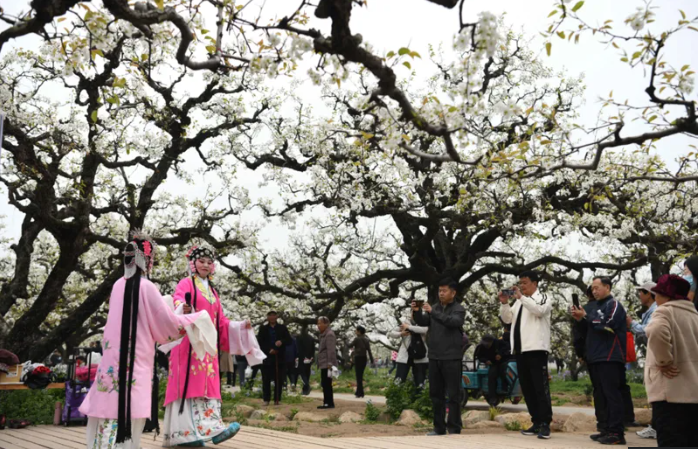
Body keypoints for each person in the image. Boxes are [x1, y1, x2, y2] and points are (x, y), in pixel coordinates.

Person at [78, 232, 220, 449]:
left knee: (108, 403)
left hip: (112, 358)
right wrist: (194, 318)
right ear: (147, 261)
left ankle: (104, 445)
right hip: (137, 356)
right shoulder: (147, 287)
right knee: (132, 404)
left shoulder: (118, 285)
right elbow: (167, 324)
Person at [163, 245, 265, 447]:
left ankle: (212, 429)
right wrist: (182, 309)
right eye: (201, 261)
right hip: (189, 345)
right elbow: (177, 302)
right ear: (193, 263)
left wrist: (240, 326)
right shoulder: (186, 283)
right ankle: (185, 435)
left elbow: (221, 322)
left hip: (208, 348)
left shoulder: (212, 292)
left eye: (210, 262)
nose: (206, 265)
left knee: (208, 387)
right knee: (188, 386)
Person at [571, 276, 627, 445]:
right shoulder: (593, 307)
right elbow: (588, 329)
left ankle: (617, 432)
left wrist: (586, 316)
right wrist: (580, 319)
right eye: (592, 288)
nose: (594, 291)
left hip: (610, 356)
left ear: (607, 287)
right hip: (594, 356)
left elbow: (608, 324)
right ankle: (606, 429)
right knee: (601, 395)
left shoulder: (613, 304)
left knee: (612, 394)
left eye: (597, 288)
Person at [645, 274, 698, 448]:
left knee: (670, 441)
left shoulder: (665, 311)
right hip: (693, 394)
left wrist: (664, 361)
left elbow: (656, 330)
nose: (655, 298)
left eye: (657, 294)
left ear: (667, 295)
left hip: (670, 393)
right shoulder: (694, 315)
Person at [499, 271, 553, 439]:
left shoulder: (543, 297)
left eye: (525, 283)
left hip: (536, 349)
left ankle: (545, 423)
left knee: (540, 388)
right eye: (520, 283)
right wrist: (505, 303)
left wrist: (521, 297)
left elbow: (539, 310)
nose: (521, 286)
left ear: (535, 283)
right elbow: (507, 319)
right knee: (528, 389)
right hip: (520, 351)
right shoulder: (518, 302)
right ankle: (536, 421)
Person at [413, 278, 466, 436]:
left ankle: (454, 428)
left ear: (453, 293)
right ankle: (439, 428)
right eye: (439, 291)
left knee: (454, 394)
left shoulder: (458, 309)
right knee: (436, 394)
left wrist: (433, 312)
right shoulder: (435, 307)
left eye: (444, 291)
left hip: (452, 357)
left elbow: (453, 322)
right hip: (434, 356)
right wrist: (417, 311)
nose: (441, 293)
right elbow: (424, 322)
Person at [257, 311, 293, 406]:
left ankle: (277, 399)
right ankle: (266, 399)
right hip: (266, 357)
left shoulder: (282, 328)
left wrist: (281, 342)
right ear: (267, 317)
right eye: (270, 316)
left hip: (279, 357)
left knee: (279, 379)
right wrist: (268, 350)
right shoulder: (263, 328)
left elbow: (289, 340)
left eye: (274, 315)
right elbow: (259, 342)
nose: (272, 317)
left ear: (277, 317)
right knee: (266, 379)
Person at [388, 320, 428, 388]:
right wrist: (401, 333)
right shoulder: (405, 323)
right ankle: (396, 393)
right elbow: (390, 333)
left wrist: (408, 327)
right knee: (399, 381)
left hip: (420, 356)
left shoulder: (424, 322)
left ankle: (418, 394)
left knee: (420, 382)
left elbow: (425, 330)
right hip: (404, 357)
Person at [474, 334, 511, 406]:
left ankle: (504, 387)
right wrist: (486, 361)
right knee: (491, 376)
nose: (487, 345)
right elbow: (479, 356)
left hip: (502, 361)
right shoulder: (482, 347)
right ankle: (492, 397)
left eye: (488, 343)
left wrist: (500, 354)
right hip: (493, 363)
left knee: (503, 371)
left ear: (492, 341)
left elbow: (507, 346)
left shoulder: (498, 342)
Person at [316, 316, 337, 409]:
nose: (318, 325)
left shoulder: (329, 335)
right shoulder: (323, 334)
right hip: (323, 363)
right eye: (317, 323)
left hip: (327, 363)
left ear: (326, 324)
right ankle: (327, 402)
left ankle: (329, 403)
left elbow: (331, 350)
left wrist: (330, 363)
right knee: (325, 383)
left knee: (327, 383)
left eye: (320, 323)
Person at [349, 326, 375, 398]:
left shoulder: (357, 339)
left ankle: (360, 393)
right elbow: (369, 350)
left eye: (356, 331)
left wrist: (345, 341)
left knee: (358, 376)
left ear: (359, 331)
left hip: (358, 358)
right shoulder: (366, 340)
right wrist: (372, 360)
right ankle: (359, 392)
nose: (355, 332)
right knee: (360, 375)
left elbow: (350, 345)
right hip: (364, 358)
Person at [296, 327, 316, 395]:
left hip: (301, 358)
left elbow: (297, 348)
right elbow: (313, 349)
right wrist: (312, 357)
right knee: (307, 373)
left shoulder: (299, 338)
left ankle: (307, 385)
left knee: (302, 373)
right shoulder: (311, 338)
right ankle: (305, 390)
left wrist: (296, 357)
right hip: (309, 358)